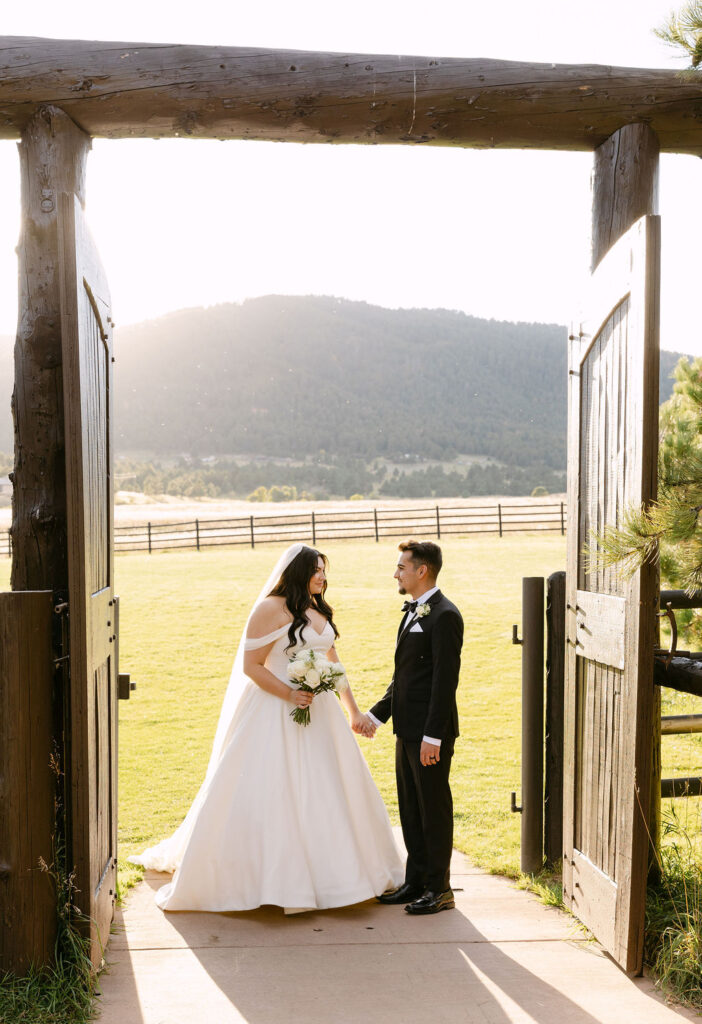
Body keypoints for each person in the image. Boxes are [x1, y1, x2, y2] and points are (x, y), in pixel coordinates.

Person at [129, 543, 403, 913]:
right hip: (274, 710)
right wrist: (290, 694)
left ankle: (339, 877)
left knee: (328, 787)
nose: (322, 577)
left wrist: (352, 711)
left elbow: (334, 664)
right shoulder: (269, 609)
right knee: (273, 788)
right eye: (316, 570)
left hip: (321, 716)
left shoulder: (317, 608)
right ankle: (271, 880)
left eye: (324, 571)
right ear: (297, 572)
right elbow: (252, 666)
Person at [367, 539, 463, 915]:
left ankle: (440, 889)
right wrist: (377, 715)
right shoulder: (412, 612)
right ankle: (416, 881)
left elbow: (444, 682)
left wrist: (432, 737)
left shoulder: (444, 615)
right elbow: (405, 677)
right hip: (406, 730)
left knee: (433, 810)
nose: (396, 573)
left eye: (401, 567)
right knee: (411, 808)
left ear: (421, 571)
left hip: (428, 735)